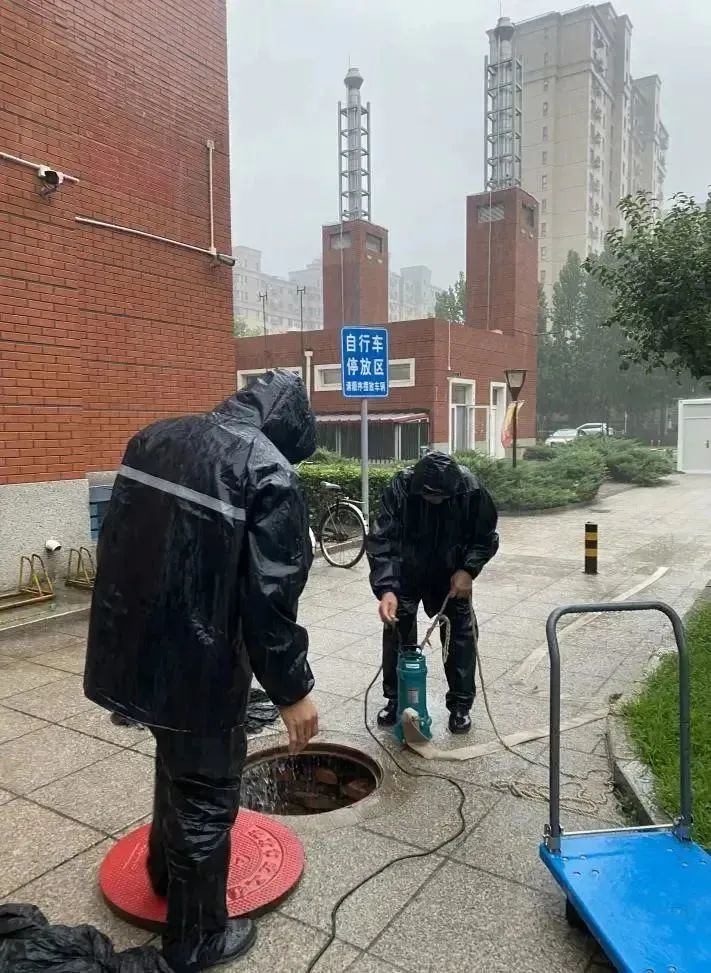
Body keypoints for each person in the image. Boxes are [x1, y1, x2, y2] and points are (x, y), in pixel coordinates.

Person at [84, 370, 319, 973]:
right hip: (203, 662)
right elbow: (271, 596)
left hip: (139, 647)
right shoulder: (267, 470)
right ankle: (197, 941)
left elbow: (117, 544)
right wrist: (292, 688)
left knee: (174, 766)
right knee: (207, 796)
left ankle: (164, 872)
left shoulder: (153, 439)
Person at [367, 450, 499, 735]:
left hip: (450, 572)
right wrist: (387, 588)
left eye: (441, 497)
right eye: (428, 495)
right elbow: (382, 539)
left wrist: (468, 570)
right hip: (407, 571)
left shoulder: (471, 490)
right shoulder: (400, 487)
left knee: (460, 634)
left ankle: (461, 704)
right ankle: (396, 698)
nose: (434, 500)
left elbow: (485, 537)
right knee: (396, 629)